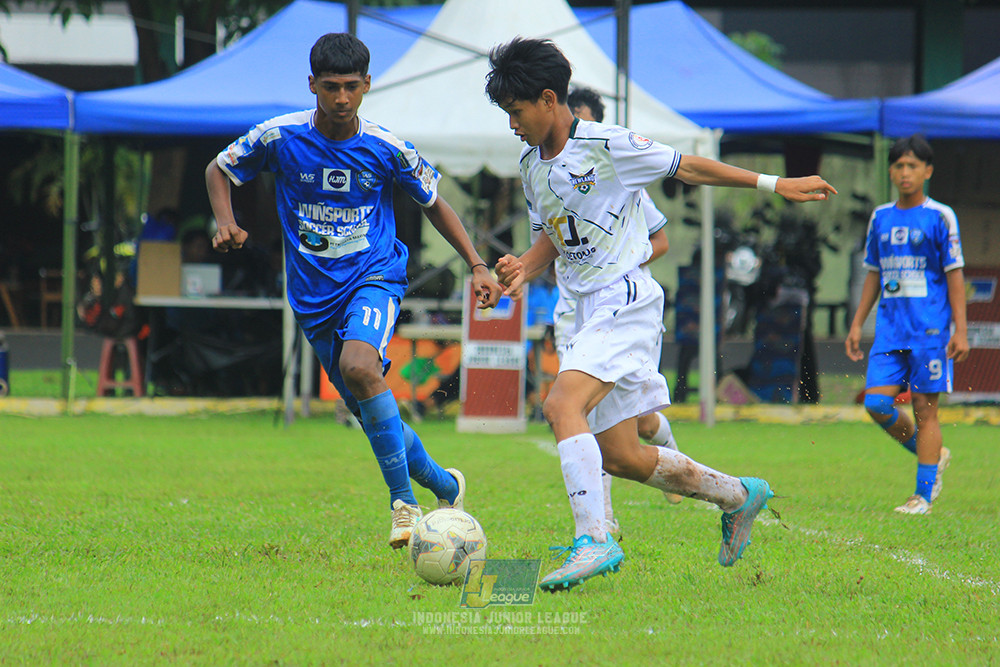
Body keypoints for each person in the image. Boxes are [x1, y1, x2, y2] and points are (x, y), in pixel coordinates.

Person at [485, 37, 837, 591]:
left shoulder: (606, 143)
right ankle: (740, 496)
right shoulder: (531, 165)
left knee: (560, 405)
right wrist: (519, 271)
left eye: (516, 112)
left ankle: (593, 541)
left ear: (549, 99)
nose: (512, 125)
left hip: (622, 300)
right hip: (578, 312)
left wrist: (775, 184)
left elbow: (687, 166)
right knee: (622, 455)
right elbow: (550, 237)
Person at [206, 33, 502, 549]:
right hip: (312, 296)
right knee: (370, 408)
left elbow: (434, 202)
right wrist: (226, 221)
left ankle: (402, 504)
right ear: (313, 85)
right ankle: (446, 485)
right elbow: (219, 169)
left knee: (360, 369)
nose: (341, 98)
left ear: (367, 85)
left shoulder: (388, 147)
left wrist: (477, 263)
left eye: (350, 87)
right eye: (330, 87)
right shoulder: (280, 137)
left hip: (374, 276)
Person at [568, 85, 684, 527]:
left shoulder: (618, 177)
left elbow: (660, 239)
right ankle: (604, 521)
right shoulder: (545, 174)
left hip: (618, 303)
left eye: (582, 122)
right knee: (584, 413)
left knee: (637, 423)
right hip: (575, 310)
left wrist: (617, 260)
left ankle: (666, 447)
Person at [845, 134, 968, 516]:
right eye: (898, 165)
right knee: (878, 403)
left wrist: (960, 329)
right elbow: (872, 273)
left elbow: (954, 275)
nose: (904, 172)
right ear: (891, 171)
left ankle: (922, 496)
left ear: (927, 171)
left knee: (924, 409)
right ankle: (933, 455)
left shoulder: (940, 216)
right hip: (890, 330)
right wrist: (856, 324)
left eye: (912, 165)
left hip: (930, 331)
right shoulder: (880, 217)